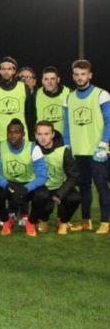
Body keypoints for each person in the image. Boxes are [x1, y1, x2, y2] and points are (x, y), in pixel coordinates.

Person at [63, 59, 110, 233]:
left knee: (101, 186)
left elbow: (109, 121)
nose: (80, 77)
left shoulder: (101, 94)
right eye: (76, 74)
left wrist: (103, 144)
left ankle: (105, 222)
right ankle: (86, 221)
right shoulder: (69, 98)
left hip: (97, 151)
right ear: (73, 76)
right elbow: (66, 125)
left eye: (83, 74)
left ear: (90, 75)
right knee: (83, 188)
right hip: (79, 152)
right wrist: (68, 145)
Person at [0, 119, 48, 237]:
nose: (13, 135)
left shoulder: (33, 148)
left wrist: (27, 188)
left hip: (27, 185)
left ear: (23, 134)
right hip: (9, 185)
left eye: (17, 132)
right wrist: (7, 185)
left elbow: (42, 175)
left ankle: (31, 222)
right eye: (10, 132)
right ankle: (6, 221)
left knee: (43, 194)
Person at [35, 121, 80, 235]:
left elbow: (73, 176)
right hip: (41, 188)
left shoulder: (64, 151)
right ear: (36, 135)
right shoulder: (32, 150)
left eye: (46, 134)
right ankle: (41, 219)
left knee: (74, 198)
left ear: (53, 134)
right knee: (43, 197)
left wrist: (60, 194)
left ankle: (63, 221)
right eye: (40, 134)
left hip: (60, 187)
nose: (43, 138)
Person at [0, 57, 35, 143]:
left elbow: (29, 114)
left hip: (20, 137)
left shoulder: (24, 88)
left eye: (9, 68)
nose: (6, 71)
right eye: (3, 69)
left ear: (14, 71)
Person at [35, 66, 69, 136]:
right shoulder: (36, 94)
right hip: (43, 139)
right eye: (46, 79)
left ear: (58, 80)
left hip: (62, 139)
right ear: (42, 81)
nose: (49, 82)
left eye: (52, 79)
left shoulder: (68, 93)